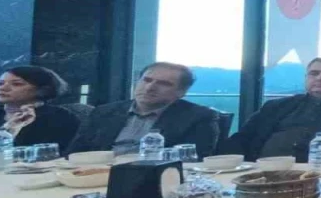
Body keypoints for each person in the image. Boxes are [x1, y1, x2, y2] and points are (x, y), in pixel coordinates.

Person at [68, 62, 220, 156]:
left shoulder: (198, 117)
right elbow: (73, 154)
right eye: (146, 80)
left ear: (181, 92)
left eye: (164, 84)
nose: (149, 88)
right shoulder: (103, 112)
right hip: (95, 176)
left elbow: (193, 161)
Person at [0, 66, 80, 151]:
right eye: (0, 83)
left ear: (43, 90)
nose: (3, 88)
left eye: (16, 84)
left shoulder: (60, 117)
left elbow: (52, 155)